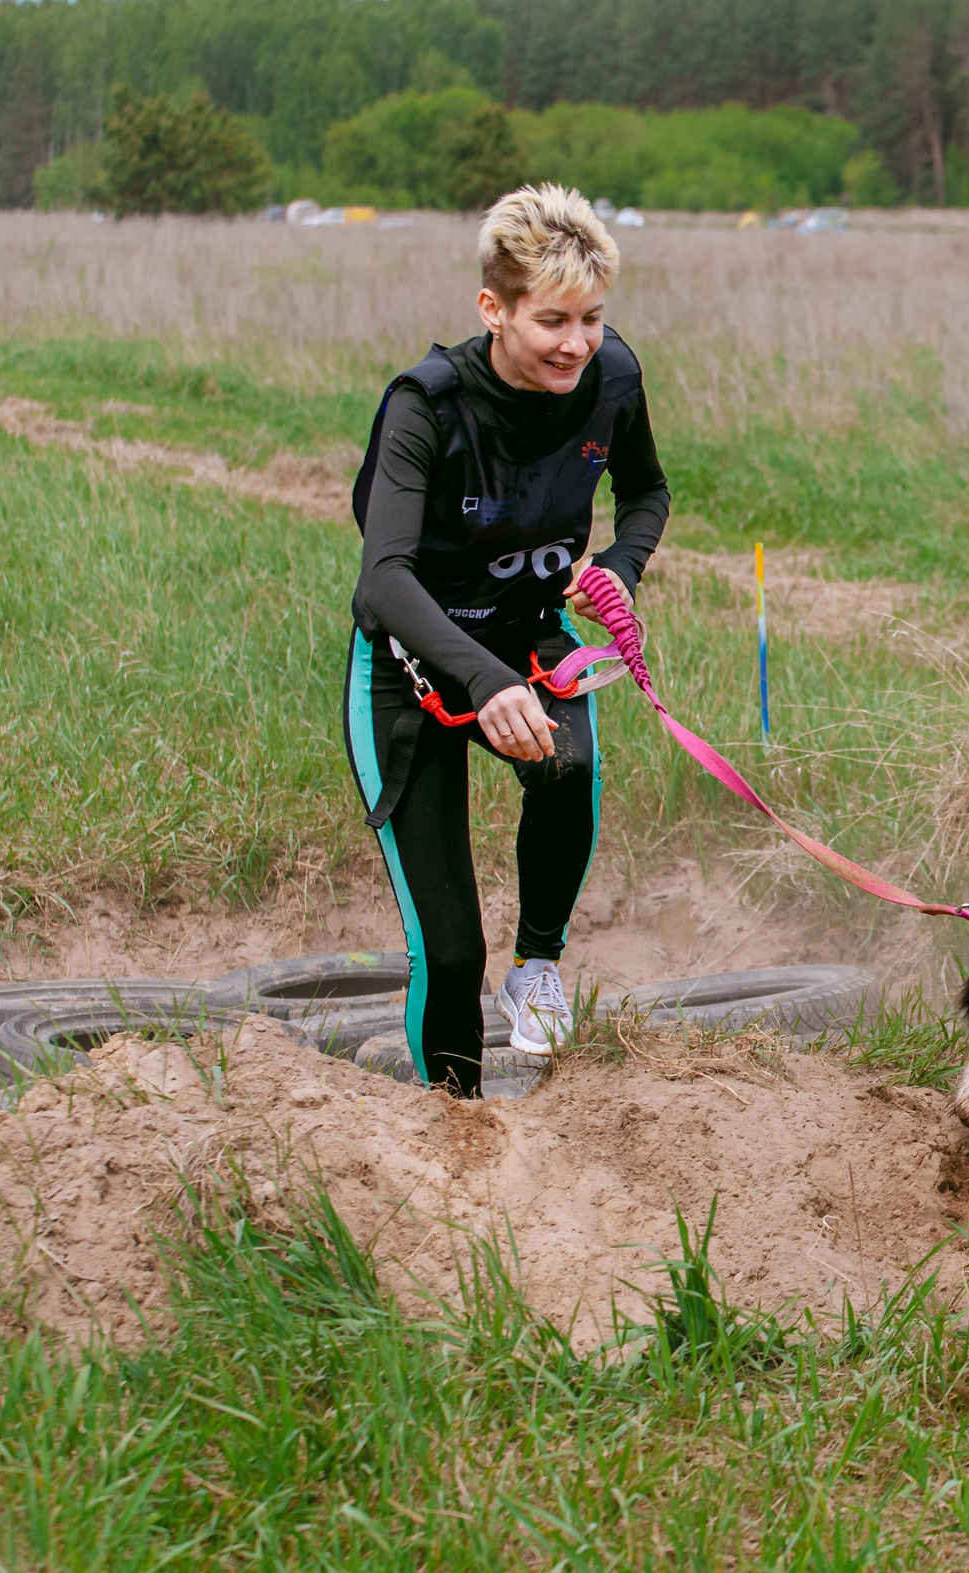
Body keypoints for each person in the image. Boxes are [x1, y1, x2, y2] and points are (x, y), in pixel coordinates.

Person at [342, 183, 668, 1096]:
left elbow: (647, 493)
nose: (577, 344)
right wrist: (483, 682)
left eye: (594, 318)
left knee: (567, 766)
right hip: (409, 667)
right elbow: (384, 579)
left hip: (530, 636)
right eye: (553, 320)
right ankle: (455, 1131)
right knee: (449, 954)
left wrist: (621, 572)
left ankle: (538, 967)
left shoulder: (613, 380)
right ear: (494, 308)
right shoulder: (426, 406)